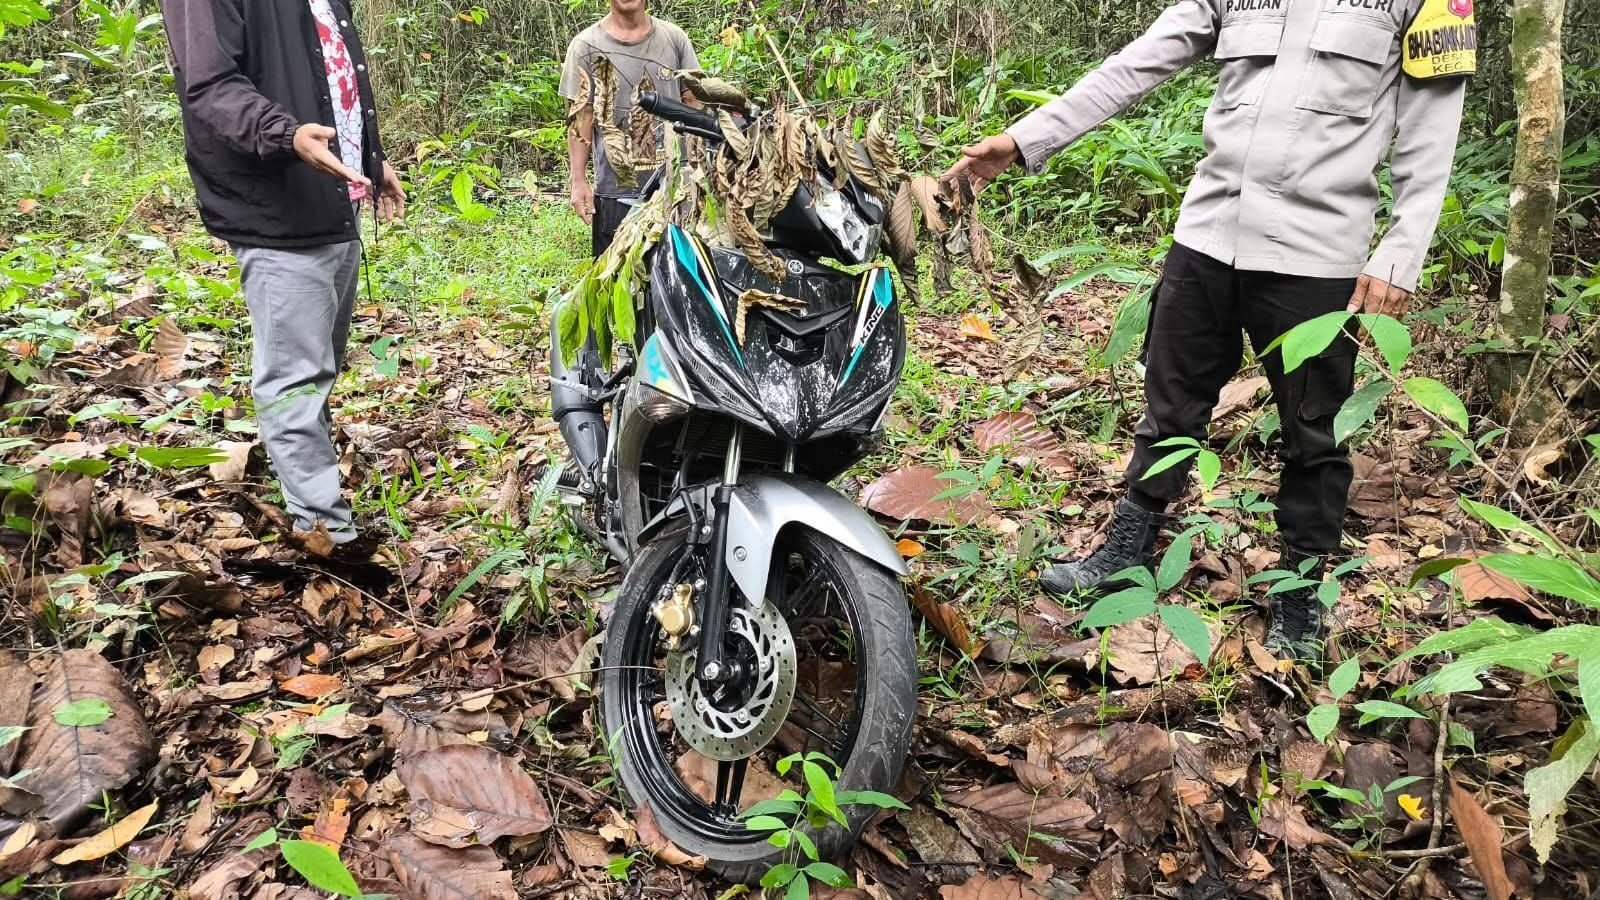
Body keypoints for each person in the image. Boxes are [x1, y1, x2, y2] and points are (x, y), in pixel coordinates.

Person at [945, 0, 1474, 659]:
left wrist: (1400, 254)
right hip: (1208, 238)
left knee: (1315, 434)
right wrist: (1026, 138)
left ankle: (1301, 596)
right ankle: (1124, 554)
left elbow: (1432, 125)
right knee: (1168, 410)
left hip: (1317, 256)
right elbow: (1138, 63)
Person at [162, 0, 405, 549]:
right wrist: (286, 135)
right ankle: (326, 536)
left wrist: (371, 158)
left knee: (316, 370)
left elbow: (333, 75)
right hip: (277, 210)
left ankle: (315, 509)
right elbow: (209, 86)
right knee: (294, 382)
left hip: (333, 201)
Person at [560, 0, 699, 258]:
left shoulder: (674, 39)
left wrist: (699, 167)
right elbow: (582, 116)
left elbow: (693, 103)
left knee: (676, 280)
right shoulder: (586, 45)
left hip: (674, 189)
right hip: (615, 194)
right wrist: (578, 181)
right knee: (616, 284)